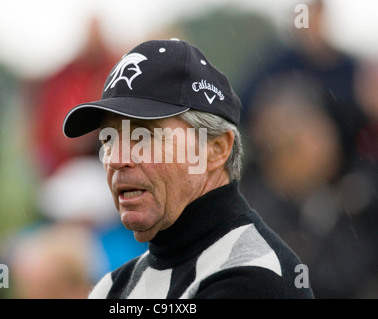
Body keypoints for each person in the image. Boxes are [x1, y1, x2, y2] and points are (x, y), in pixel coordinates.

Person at [62, 39, 314, 299]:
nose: (116, 159)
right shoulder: (111, 288)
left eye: (142, 136)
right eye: (108, 140)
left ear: (215, 149)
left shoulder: (255, 275)